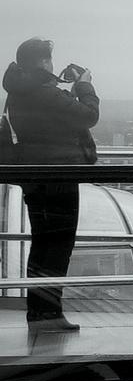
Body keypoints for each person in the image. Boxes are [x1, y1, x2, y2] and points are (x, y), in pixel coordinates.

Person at [1, 37, 100, 331]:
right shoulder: (44, 93)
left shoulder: (19, 91)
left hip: (36, 177)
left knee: (43, 244)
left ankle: (39, 312)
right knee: (58, 245)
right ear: (44, 62)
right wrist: (84, 86)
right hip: (59, 175)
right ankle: (49, 314)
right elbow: (89, 116)